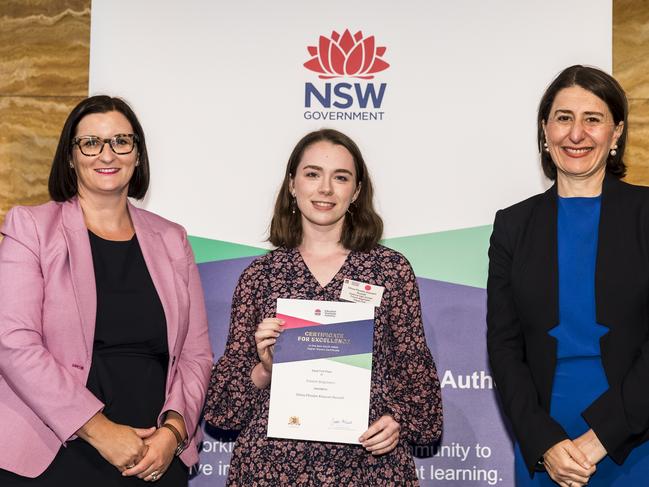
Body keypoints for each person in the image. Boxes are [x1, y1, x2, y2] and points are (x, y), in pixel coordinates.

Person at [204, 128, 442, 485]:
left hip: (368, 470)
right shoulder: (260, 275)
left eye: (341, 177)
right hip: (272, 471)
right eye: (312, 174)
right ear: (292, 184)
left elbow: (423, 400)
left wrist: (396, 421)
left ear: (357, 191)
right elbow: (222, 412)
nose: (326, 189)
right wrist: (266, 369)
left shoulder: (390, 271)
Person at [0, 96, 213, 486]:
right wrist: (99, 430)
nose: (106, 154)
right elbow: (13, 343)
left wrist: (174, 433)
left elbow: (196, 355)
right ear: (70, 156)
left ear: (136, 153)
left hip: (154, 459)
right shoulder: (31, 227)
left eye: (120, 141)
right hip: (57, 452)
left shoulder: (172, 239)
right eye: (91, 143)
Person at [487, 65, 649, 486]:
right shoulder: (512, 225)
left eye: (592, 119)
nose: (576, 134)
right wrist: (544, 442)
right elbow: (504, 347)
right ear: (545, 130)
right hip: (545, 449)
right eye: (563, 118)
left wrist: (601, 438)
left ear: (615, 134)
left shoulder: (645, 216)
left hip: (634, 440)